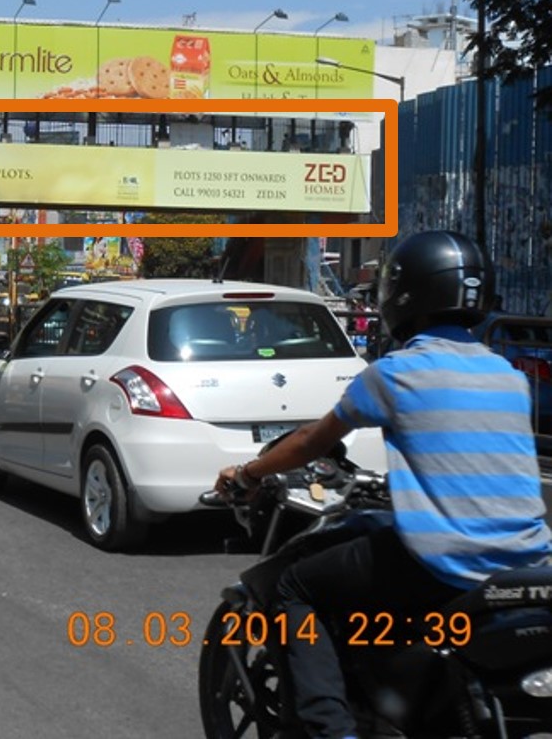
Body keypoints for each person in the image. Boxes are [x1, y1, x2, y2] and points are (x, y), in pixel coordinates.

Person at [215, 230, 552, 739]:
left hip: (446, 561)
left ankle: (330, 730)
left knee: (294, 586)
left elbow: (310, 441)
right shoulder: (510, 377)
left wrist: (246, 474)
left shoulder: (395, 373)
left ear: (402, 295)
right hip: (529, 562)